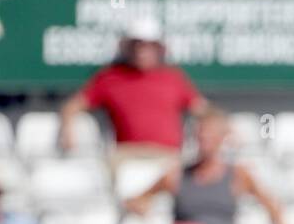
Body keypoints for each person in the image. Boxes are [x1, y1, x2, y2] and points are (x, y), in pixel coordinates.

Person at [124, 107, 291, 224]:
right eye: (201, 134)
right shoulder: (176, 174)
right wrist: (141, 207)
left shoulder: (238, 174)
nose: (205, 140)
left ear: (222, 138)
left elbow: (270, 203)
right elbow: (138, 198)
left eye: (210, 135)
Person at [60, 17, 206, 171]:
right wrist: (68, 128)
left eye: (149, 46)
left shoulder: (173, 78)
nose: (142, 51)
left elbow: (203, 110)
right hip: (127, 156)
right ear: (128, 47)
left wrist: (221, 131)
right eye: (137, 45)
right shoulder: (110, 78)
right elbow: (74, 105)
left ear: (159, 48)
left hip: (168, 157)